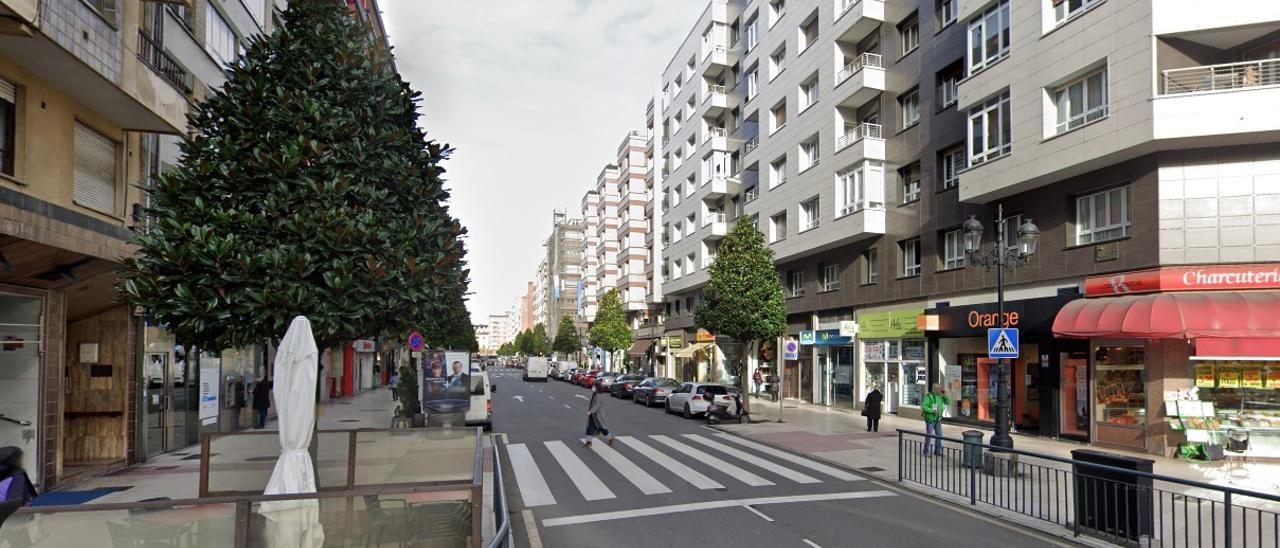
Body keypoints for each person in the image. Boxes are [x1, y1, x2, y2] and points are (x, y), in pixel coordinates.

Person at [921, 383, 952, 456]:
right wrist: (932, 410)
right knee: (929, 434)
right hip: (930, 419)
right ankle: (926, 451)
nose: (941, 389)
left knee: (939, 434)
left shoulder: (940, 396)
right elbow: (924, 406)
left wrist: (945, 395)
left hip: (937, 419)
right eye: (940, 388)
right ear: (936, 389)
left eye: (941, 388)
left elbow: (948, 402)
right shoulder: (929, 396)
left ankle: (937, 451)